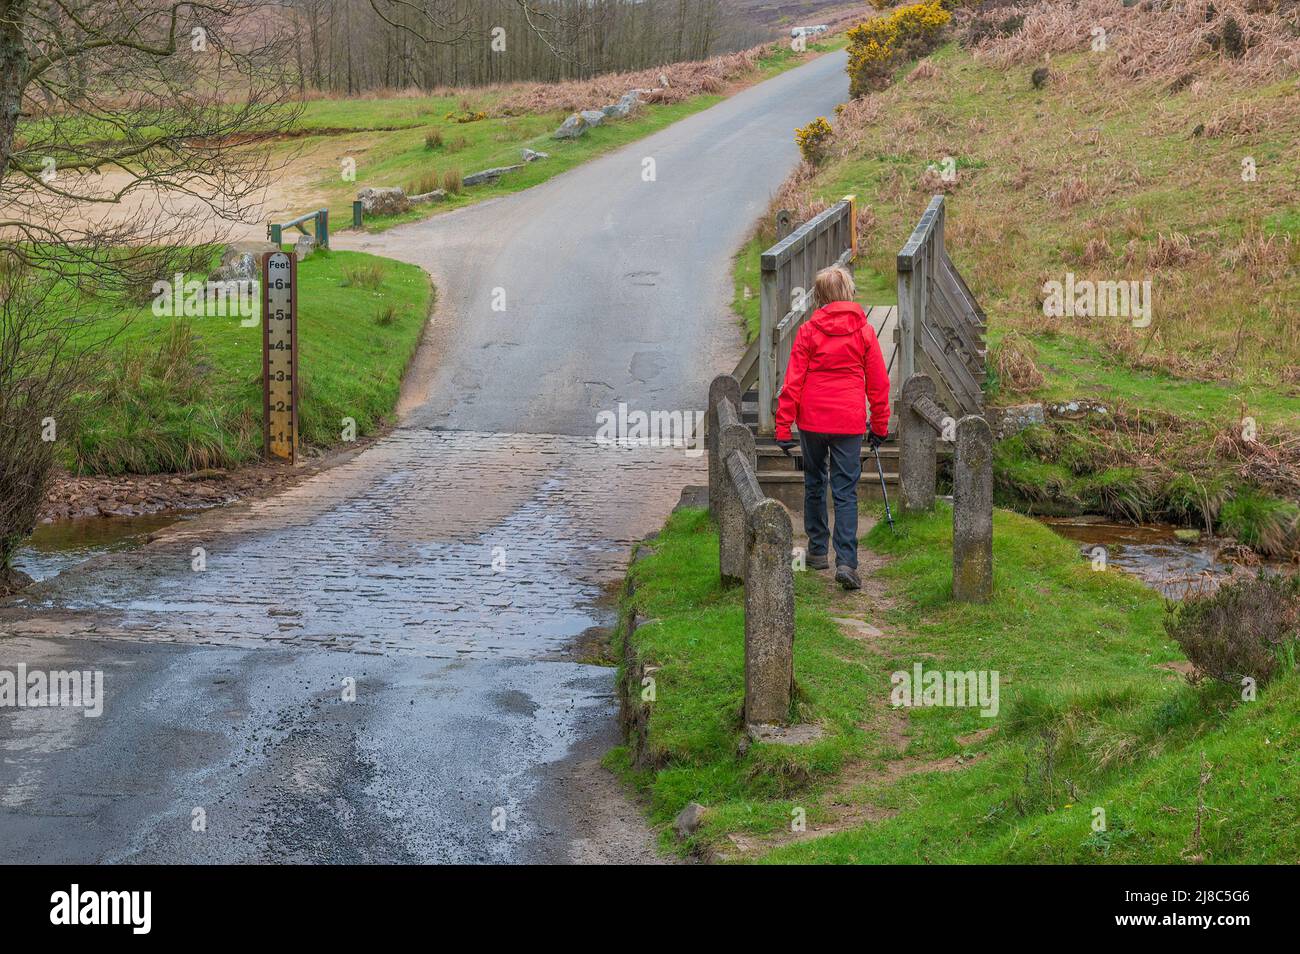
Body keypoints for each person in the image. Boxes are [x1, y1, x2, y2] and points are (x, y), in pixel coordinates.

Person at [774, 265, 891, 590]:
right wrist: (880, 426)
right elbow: (879, 384)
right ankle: (847, 562)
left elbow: (792, 382)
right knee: (845, 491)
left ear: (820, 297)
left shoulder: (809, 331)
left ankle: (816, 551)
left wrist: (783, 428)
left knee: (814, 482)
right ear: (848, 293)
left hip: (812, 419)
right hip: (848, 421)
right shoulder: (865, 332)